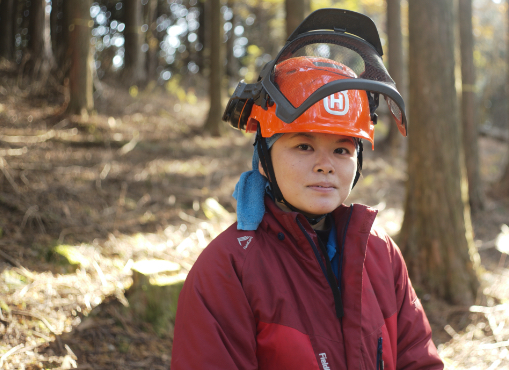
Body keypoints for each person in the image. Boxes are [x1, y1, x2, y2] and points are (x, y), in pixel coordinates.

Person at [171, 8, 444, 370]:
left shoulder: (379, 252)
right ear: (264, 153)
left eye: (342, 149)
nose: (325, 164)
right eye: (303, 145)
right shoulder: (228, 270)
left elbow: (419, 361)